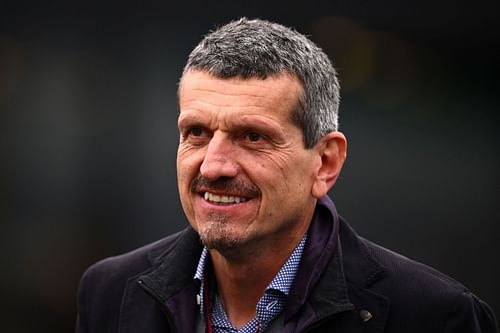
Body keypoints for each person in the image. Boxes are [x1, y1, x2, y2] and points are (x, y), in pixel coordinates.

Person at [75, 18, 497, 333]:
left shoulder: (433, 316)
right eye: (197, 133)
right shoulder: (109, 293)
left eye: (253, 136)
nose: (214, 166)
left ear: (325, 163)